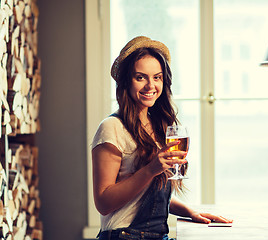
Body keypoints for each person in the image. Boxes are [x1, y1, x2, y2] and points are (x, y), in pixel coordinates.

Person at [91, 36, 232, 240]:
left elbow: (145, 193)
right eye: (140, 77)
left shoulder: (158, 126)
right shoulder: (111, 127)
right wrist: (150, 169)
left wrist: (189, 212)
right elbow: (103, 203)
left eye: (156, 77)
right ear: (125, 82)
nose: (150, 85)